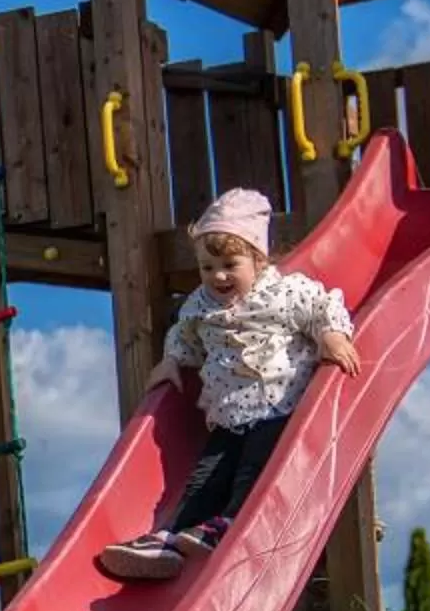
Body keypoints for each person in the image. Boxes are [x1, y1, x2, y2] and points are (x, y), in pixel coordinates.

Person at [98, 188, 360, 581]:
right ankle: (167, 539)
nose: (217, 276)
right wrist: (172, 360)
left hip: (278, 410)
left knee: (253, 471)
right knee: (205, 476)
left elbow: (324, 307)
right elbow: (184, 335)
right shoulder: (201, 305)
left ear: (258, 258)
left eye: (229, 264)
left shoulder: (286, 293)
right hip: (225, 416)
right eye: (207, 267)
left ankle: (230, 523)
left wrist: (332, 336)